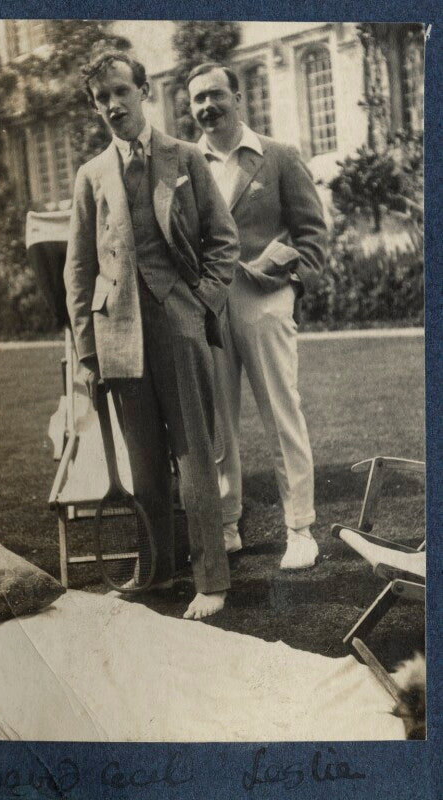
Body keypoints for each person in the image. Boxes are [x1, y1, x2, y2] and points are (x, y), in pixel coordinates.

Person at [64, 52, 240, 619]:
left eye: (121, 91)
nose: (113, 105)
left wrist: (201, 302)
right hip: (117, 337)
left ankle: (211, 581)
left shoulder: (184, 156)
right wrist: (88, 353)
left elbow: (224, 239)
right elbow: (78, 272)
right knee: (144, 466)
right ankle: (157, 572)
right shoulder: (91, 175)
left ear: (144, 91)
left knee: (195, 458)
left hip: (179, 326)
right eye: (102, 98)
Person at [187, 62, 328, 569]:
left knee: (282, 413)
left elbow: (312, 234)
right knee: (217, 421)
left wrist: (291, 286)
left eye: (216, 95)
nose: (208, 106)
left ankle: (300, 529)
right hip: (209, 303)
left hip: (264, 300)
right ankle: (227, 524)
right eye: (198, 99)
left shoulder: (278, 156)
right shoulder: (187, 163)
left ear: (238, 97)